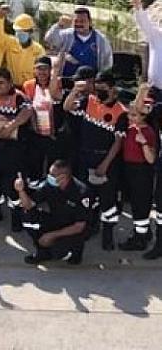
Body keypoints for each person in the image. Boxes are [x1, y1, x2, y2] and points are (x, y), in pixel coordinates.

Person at [63, 71, 126, 250]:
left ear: (112, 89)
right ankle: (90, 227)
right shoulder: (89, 101)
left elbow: (118, 142)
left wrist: (104, 165)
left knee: (107, 200)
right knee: (87, 197)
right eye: (97, 89)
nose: (100, 93)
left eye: (103, 90)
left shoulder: (120, 111)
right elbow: (67, 107)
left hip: (106, 160)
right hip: (85, 158)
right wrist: (75, 91)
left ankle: (108, 236)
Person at [0, 68, 34, 229]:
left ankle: (17, 216)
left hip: (13, 149)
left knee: (13, 183)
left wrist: (11, 124)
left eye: (1, 83)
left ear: (9, 83)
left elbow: (28, 111)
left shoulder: (19, 96)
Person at [15, 160, 88, 265]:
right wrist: (21, 190)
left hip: (73, 229)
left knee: (58, 253)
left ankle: (74, 252)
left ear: (64, 177)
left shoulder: (81, 192)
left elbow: (79, 226)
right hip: (56, 220)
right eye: (49, 173)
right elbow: (29, 205)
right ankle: (42, 252)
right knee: (28, 214)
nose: (49, 177)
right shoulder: (48, 185)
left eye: (53, 175)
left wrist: (51, 235)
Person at [115, 95, 156, 251]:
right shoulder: (131, 128)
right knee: (135, 204)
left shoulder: (148, 132)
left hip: (142, 171)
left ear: (144, 116)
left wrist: (143, 143)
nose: (130, 118)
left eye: (134, 115)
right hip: (130, 169)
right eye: (129, 114)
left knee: (141, 206)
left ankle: (139, 240)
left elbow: (151, 159)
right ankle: (144, 233)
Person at [22, 55, 64, 178]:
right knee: (35, 162)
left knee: (53, 164)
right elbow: (28, 106)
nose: (42, 72)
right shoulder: (28, 85)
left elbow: (58, 98)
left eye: (45, 68)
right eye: (39, 68)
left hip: (54, 132)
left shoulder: (57, 82)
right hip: (35, 131)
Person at [45, 7, 113, 77]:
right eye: (76, 21)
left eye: (82, 21)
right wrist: (59, 24)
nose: (79, 24)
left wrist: (101, 78)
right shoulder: (66, 35)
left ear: (90, 22)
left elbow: (107, 62)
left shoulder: (101, 39)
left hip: (91, 82)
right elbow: (49, 39)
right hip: (67, 80)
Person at [2, 13, 45, 85]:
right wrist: (0, 17)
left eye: (24, 31)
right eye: (18, 31)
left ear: (31, 31)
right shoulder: (10, 43)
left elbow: (42, 71)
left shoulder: (38, 50)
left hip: (30, 88)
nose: (20, 33)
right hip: (11, 86)